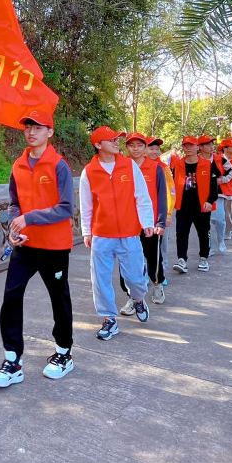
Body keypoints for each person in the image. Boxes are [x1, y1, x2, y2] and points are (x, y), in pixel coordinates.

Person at [0, 109, 76, 387]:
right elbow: (15, 202)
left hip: (54, 247)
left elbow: (65, 208)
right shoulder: (18, 165)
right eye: (27, 127)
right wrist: (16, 225)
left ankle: (64, 353)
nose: (31, 132)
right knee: (11, 297)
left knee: (58, 299)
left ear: (49, 132)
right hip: (25, 246)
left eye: (38, 127)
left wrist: (30, 217)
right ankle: (13, 360)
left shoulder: (59, 165)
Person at [80, 126, 155, 341]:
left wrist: (146, 222)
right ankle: (108, 319)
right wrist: (87, 231)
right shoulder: (89, 171)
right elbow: (86, 206)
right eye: (111, 139)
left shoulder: (129, 166)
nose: (116, 142)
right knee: (100, 280)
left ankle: (138, 299)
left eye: (116, 139)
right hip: (101, 235)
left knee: (135, 279)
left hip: (129, 233)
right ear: (97, 145)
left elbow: (142, 197)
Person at [118, 133, 167, 312]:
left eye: (139, 145)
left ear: (145, 147)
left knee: (153, 258)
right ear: (127, 147)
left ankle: (157, 284)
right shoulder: (120, 167)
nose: (136, 148)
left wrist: (160, 222)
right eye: (132, 145)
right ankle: (132, 298)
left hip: (150, 223)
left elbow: (162, 196)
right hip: (127, 224)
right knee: (127, 262)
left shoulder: (155, 168)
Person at [171, 136, 219, 274]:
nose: (188, 148)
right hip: (183, 205)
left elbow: (213, 185)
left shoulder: (207, 164)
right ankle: (182, 260)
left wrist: (210, 201)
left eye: (191, 145)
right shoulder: (177, 165)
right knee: (181, 233)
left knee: (203, 233)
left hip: (202, 205)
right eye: (185, 145)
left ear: (197, 147)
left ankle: (203, 258)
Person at [197, 135, 232, 257]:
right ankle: (210, 247)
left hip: (217, 194)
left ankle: (221, 240)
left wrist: (224, 179)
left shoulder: (220, 159)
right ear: (200, 147)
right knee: (205, 223)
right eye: (207, 144)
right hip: (201, 195)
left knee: (220, 220)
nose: (211, 147)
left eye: (212, 144)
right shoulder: (195, 160)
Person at [146, 136, 175, 283]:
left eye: (157, 149)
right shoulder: (134, 166)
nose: (155, 152)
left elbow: (170, 192)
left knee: (161, 246)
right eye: (151, 148)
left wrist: (168, 215)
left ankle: (161, 273)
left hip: (159, 215)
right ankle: (144, 274)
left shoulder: (163, 168)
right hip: (142, 216)